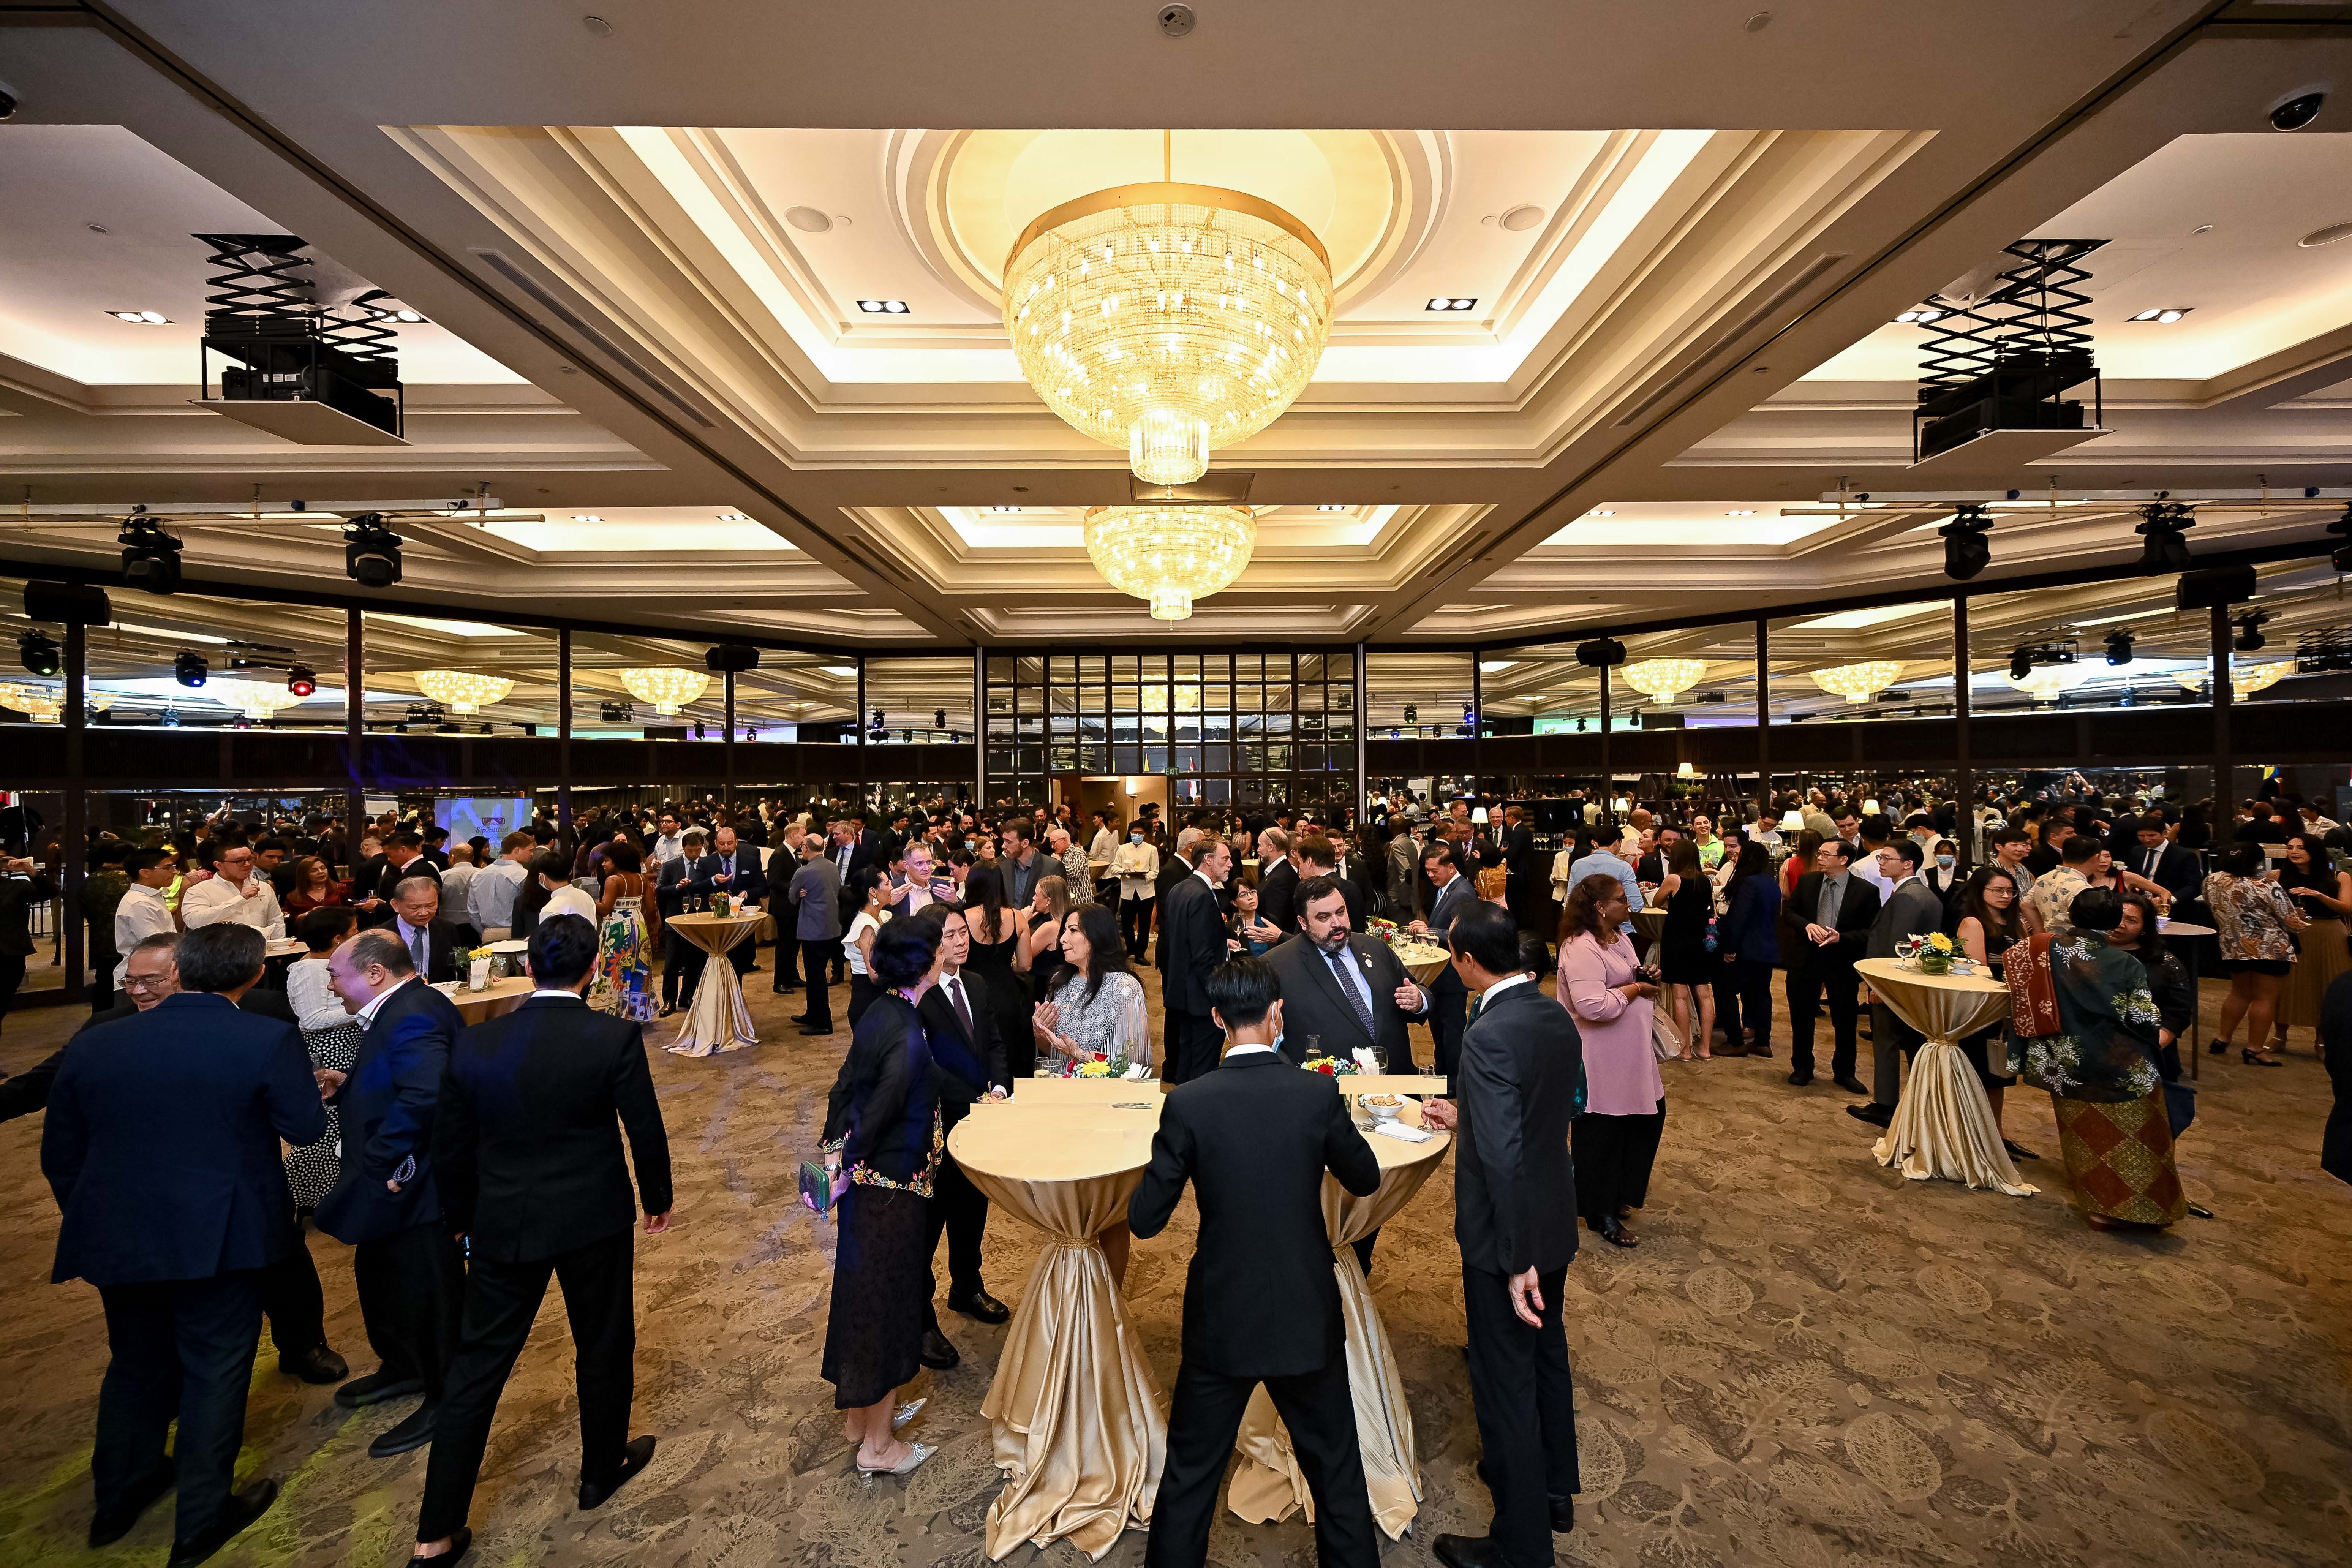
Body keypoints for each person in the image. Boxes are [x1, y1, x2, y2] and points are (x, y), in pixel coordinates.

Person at [41, 922, 327, 1563]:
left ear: (182, 971)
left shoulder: (97, 1042)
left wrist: (98, 1214)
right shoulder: (264, 1036)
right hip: (221, 1236)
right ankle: (200, 1519)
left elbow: (60, 1152)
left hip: (120, 1235)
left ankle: (118, 1497)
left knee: (135, 1365)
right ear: (254, 975)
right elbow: (306, 1127)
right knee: (215, 1370)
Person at [409, 914, 674, 1563]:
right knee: (604, 1341)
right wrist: (656, 1200)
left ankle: (434, 1533)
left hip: (503, 1220)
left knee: (476, 1370)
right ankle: (599, 1468)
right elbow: (644, 1126)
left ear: (529, 966)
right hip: (594, 1215)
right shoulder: (611, 1035)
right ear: (593, 970)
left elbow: (450, 1144)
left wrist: (463, 1218)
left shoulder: (476, 1042)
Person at [1129, 956, 1383, 1568]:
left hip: (1223, 1317)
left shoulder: (1189, 1104)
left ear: (1217, 1018)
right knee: (1337, 1472)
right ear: (1278, 1014)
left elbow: (1145, 1219)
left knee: (1191, 1473)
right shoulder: (1316, 1094)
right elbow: (1366, 1177)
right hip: (1305, 1312)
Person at [1419, 903, 1583, 1566]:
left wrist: (1514, 1260)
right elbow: (1549, 1109)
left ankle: (1519, 1546)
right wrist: (1471, 1113)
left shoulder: (1488, 1032)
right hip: (1552, 1214)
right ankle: (1554, 1489)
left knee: (1503, 1382)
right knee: (1547, 1356)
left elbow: (1504, 1156)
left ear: (1465, 961)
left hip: (1506, 1239)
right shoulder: (1549, 1013)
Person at [316, 928, 468, 1461]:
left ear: (375, 973)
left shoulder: (415, 1013)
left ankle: (446, 1395)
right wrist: (351, 1084)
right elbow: (400, 1080)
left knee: (428, 1291)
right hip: (394, 1183)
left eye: (337, 975)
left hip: (415, 1186)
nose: (332, 986)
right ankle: (404, 1366)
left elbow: (426, 1093)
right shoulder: (402, 1007)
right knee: (385, 1278)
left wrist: (383, 1159)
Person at [817, 918, 945, 1479]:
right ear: (925, 964)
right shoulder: (908, 1030)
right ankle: (879, 1444)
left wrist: (831, 1159)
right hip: (891, 1189)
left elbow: (844, 1087)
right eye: (941, 951)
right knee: (888, 1308)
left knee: (860, 1297)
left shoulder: (879, 1009)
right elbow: (885, 1103)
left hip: (864, 1187)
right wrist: (848, 1163)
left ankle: (861, 1419)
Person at [2006, 888, 2186, 1232]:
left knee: (2084, 1138)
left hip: (2062, 1060)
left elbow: (2015, 980)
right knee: (2138, 1140)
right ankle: (2144, 1211)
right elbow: (2143, 1020)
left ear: (2073, 915)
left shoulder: (2038, 947)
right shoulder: (2123, 963)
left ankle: (2098, 1209)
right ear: (2113, 920)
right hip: (2119, 1065)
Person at [909, 906, 1011, 1369]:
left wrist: (999, 1086)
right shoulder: (920, 996)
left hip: (981, 1120)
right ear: (932, 945)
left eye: (963, 932)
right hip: (936, 1128)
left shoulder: (976, 983)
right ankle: (919, 1317)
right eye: (949, 935)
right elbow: (926, 1068)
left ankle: (966, 1286)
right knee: (929, 1225)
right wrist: (975, 1100)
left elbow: (992, 1042)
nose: (961, 941)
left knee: (973, 1208)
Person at [1556, 875, 1660, 1248]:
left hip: (1630, 1052)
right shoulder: (1580, 948)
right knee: (1601, 1133)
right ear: (1601, 907)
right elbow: (1592, 1006)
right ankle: (1599, 1211)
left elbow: (1626, 974)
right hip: (1601, 1055)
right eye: (1621, 898)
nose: (1629, 903)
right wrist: (1635, 989)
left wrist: (1642, 976)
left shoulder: (1620, 937)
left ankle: (1618, 1194)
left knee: (1643, 1121)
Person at [1267, 873, 1429, 1078]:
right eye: (1324, 917)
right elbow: (1266, 1038)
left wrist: (1419, 1000)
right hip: (1330, 1092)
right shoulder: (1276, 966)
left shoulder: (1375, 947)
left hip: (1395, 1082)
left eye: (1341, 912)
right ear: (1304, 922)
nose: (1337, 923)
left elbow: (1416, 989)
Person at [1849, 841, 1949, 1130]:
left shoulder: (1908, 897)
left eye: (1887, 858)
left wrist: (1881, 987)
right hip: (1911, 983)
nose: (1880, 862)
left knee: (1888, 1041)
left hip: (1894, 983)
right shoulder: (1923, 894)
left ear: (1908, 864)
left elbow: (1898, 947)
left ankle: (1886, 1105)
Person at [1780, 838, 1878, 1093]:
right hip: (1806, 958)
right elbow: (1789, 912)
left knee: (1845, 1020)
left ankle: (1845, 1072)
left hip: (1841, 961)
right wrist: (1806, 925)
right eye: (1820, 853)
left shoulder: (1865, 891)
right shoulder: (1809, 882)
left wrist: (1841, 938)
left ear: (1843, 860)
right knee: (1802, 1017)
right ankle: (1802, 1067)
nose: (1820, 858)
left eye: (1826, 854)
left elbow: (1871, 931)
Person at [1951, 868, 2030, 1160]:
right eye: (1998, 890)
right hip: (1982, 1011)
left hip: (2007, 1011)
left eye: (2010, 891)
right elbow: (1979, 971)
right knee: (1982, 1073)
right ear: (1980, 891)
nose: (2006, 896)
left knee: (1999, 1077)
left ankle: (1997, 1134)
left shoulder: (2013, 923)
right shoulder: (1973, 922)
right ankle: (1978, 1137)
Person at [2205, 842, 2308, 1066]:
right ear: (2258, 862)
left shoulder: (2212, 881)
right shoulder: (2267, 886)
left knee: (2239, 993)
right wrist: (2301, 917)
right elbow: (2293, 923)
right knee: (2265, 998)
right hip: (2270, 949)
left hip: (2233, 945)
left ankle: (2222, 1039)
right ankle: (2255, 1049)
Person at [1034, 902, 1152, 1078]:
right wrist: (1040, 1035)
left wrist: (1078, 1054)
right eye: (1065, 931)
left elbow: (1133, 1067)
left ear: (1097, 936)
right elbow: (1052, 1055)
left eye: (1073, 931)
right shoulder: (1058, 982)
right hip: (1060, 1091)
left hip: (1105, 1096)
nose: (1062, 939)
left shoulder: (1125, 990)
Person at [1160, 835, 1239, 1085]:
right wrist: (1220, 994)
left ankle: (1184, 1110)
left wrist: (1219, 940)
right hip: (1202, 997)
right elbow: (1203, 957)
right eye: (1225, 859)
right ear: (1208, 860)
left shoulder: (1180, 889)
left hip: (1182, 993)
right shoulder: (1203, 895)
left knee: (1187, 1060)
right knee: (1204, 1066)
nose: (1230, 865)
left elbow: (1182, 940)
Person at [2278, 831, 2352, 1051]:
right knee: (2287, 987)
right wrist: (2290, 914)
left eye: (2300, 848)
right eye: (2290, 848)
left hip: (2329, 933)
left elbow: (2347, 908)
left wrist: (2318, 895)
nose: (2294, 852)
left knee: (2326, 984)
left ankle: (2322, 1040)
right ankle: (2280, 1036)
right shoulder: (2277, 876)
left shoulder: (2339, 877)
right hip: (2295, 934)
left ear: (2314, 851)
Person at [1410, 840, 1476, 1086]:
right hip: (1442, 976)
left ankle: (1454, 1083)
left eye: (1434, 871)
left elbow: (1465, 934)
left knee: (1452, 1033)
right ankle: (1444, 1077)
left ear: (1449, 867)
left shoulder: (1462, 893)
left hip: (1452, 977)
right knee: (1439, 1030)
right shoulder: (1447, 888)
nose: (1430, 875)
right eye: (1427, 871)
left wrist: (1430, 931)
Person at [1715, 841, 1780, 1059]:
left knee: (1726, 991)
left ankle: (1735, 1041)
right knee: (1761, 995)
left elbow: (1739, 918)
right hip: (1767, 947)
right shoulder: (1771, 882)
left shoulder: (1749, 883)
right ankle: (1763, 1042)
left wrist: (1730, 948)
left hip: (1746, 948)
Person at [1653, 839, 1714, 1062]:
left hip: (1678, 939)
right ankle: (1706, 1048)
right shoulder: (1706, 880)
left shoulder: (1673, 879)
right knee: (1704, 994)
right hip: (1700, 939)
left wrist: (1673, 905)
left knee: (1680, 996)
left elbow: (1658, 900)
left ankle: (1685, 1049)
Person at [587, 840, 658, 1021]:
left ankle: (612, 1013)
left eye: (607, 860)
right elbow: (651, 908)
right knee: (639, 970)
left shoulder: (614, 880)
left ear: (618, 861)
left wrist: (586, 899)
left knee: (614, 971)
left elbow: (605, 909)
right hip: (639, 927)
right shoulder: (642, 879)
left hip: (618, 930)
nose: (603, 864)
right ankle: (637, 1013)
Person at [787, 834, 844, 1035]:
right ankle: (813, 1014)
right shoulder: (832, 866)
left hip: (813, 931)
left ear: (806, 847)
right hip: (833, 928)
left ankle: (823, 1022)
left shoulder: (803, 872)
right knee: (816, 975)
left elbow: (792, 898)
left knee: (816, 977)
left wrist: (801, 894)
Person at [180, 841, 287, 941]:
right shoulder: (200, 890)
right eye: (239, 861)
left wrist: (280, 951)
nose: (247, 865)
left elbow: (276, 921)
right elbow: (194, 922)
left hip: (262, 953)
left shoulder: (264, 887)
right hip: (217, 955)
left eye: (250, 859)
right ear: (219, 865)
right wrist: (240, 899)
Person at [109, 848, 179, 991]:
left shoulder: (150, 897)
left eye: (173, 866)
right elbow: (156, 945)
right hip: (144, 980)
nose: (174, 872)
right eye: (167, 868)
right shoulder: (139, 903)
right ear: (145, 873)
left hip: (154, 975)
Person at [844, 877, 893, 1028]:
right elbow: (875, 974)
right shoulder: (866, 927)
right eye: (887, 884)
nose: (892, 887)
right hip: (869, 1003)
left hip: (882, 1000)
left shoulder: (882, 916)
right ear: (873, 892)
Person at [467, 833, 534, 942]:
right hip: (515, 935)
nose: (532, 854)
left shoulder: (478, 875)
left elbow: (473, 911)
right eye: (530, 850)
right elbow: (529, 909)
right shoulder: (523, 875)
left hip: (488, 934)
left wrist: (484, 932)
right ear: (517, 850)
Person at [1022, 874, 1072, 1007]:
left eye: (1037, 895)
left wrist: (1023, 921)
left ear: (1048, 901)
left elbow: (1023, 957)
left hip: (1044, 990)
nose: (1033, 898)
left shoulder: (1050, 927)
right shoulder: (1067, 923)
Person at [1111, 822, 1160, 959]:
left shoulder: (1151, 850)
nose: (1137, 836)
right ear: (1130, 833)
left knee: (1144, 924)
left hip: (1146, 892)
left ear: (1144, 834)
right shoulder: (1123, 849)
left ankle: (1141, 953)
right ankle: (1130, 948)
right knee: (1127, 922)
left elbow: (1155, 871)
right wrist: (1124, 871)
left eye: (1140, 833)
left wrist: (1143, 876)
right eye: (1134, 833)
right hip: (1128, 890)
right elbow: (1114, 868)